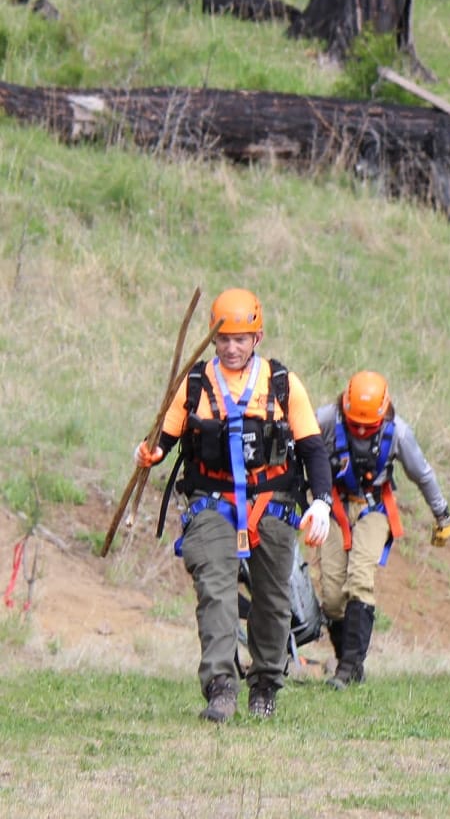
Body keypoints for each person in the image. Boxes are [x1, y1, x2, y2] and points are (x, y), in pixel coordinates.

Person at [135, 288, 333, 722]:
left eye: (241, 339)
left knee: (272, 599)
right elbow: (162, 441)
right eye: (223, 339)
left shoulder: (282, 383)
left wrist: (321, 502)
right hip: (211, 502)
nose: (231, 347)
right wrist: (148, 453)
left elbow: (313, 448)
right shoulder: (192, 384)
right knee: (215, 591)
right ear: (212, 338)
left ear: (257, 337)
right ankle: (221, 686)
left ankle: (264, 684)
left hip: (274, 503)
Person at [314, 370, 450, 690]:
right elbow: (301, 449)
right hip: (333, 507)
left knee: (360, 578)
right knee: (333, 597)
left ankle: (349, 668)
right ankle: (348, 662)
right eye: (355, 424)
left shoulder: (399, 433)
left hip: (373, 508)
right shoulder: (324, 419)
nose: (361, 430)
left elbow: (423, 474)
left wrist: (442, 515)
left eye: (369, 425)